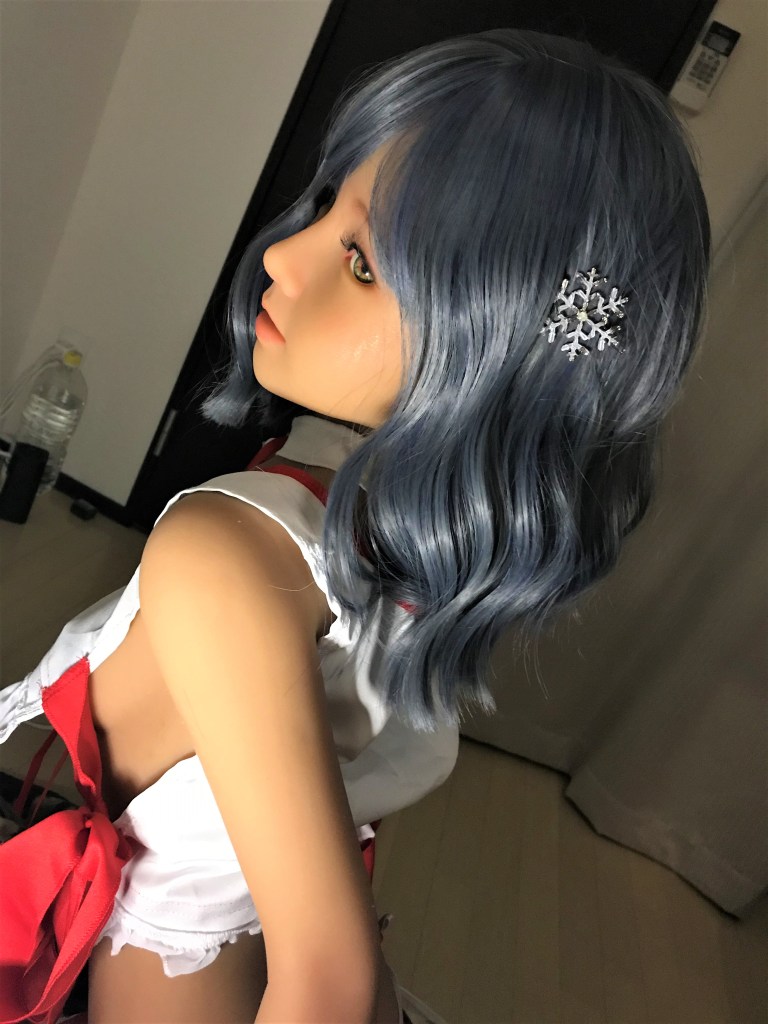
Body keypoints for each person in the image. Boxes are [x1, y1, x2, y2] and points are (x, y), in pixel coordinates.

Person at [0, 25, 710, 1024]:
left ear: (494, 348)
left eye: (365, 262)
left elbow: (329, 984)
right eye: (327, 202)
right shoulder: (400, 531)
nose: (282, 257)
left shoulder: (229, 555)